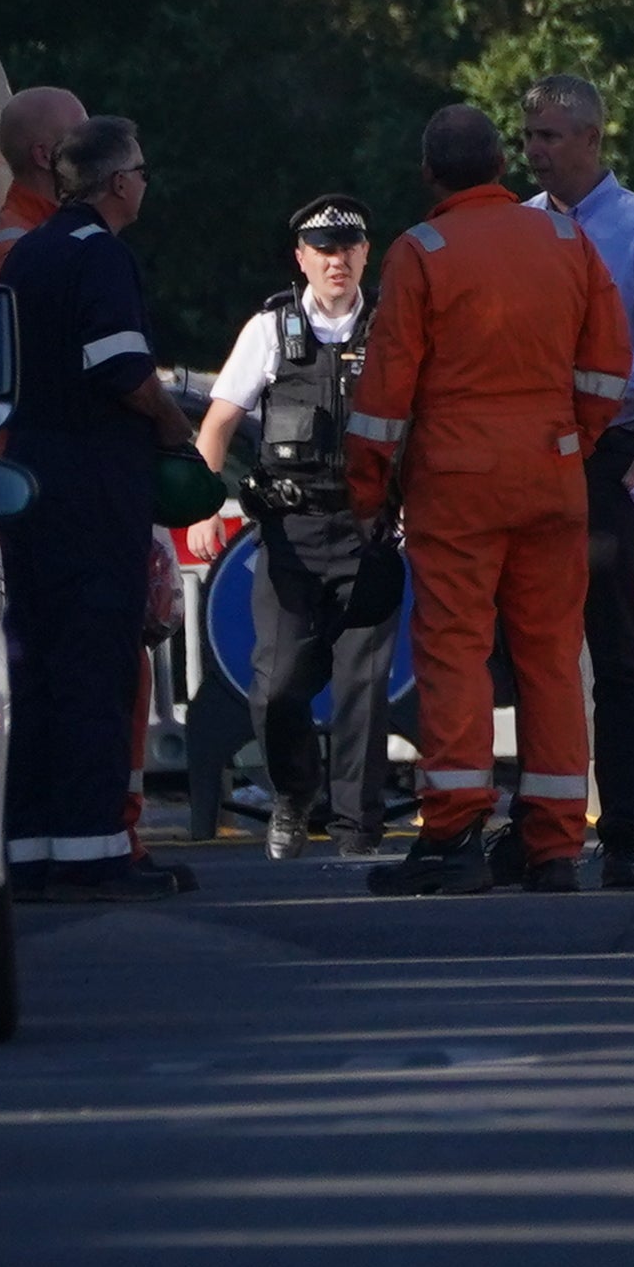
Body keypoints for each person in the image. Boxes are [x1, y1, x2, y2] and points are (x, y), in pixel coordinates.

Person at [348, 106, 631, 895]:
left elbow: (384, 395)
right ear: (504, 164)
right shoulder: (567, 240)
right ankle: (551, 843)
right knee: (549, 656)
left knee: (455, 653)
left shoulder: (422, 251)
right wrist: (571, 431)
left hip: (457, 484)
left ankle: (454, 833)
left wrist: (369, 490)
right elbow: (610, 362)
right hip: (552, 473)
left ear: (430, 172)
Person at [0, 115, 204, 900]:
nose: (144, 183)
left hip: (29, 478)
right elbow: (122, 369)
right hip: (92, 483)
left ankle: (34, 848)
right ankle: (92, 853)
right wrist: (174, 427)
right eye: (140, 171)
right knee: (95, 664)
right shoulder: (101, 257)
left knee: (38, 663)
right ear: (116, 182)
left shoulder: (27, 254)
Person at [196, 195, 396, 860]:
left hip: (369, 531)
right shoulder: (270, 329)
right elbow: (220, 421)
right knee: (278, 686)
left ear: (366, 253)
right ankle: (290, 793)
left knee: (362, 692)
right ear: (302, 258)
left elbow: (429, 423)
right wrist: (203, 501)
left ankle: (356, 830)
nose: (336, 260)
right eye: (323, 248)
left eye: (348, 246)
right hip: (291, 534)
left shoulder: (393, 327)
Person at [517, 75, 634, 885]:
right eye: (529, 136)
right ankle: (533, 824)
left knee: (615, 646)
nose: (536, 150)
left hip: (609, 455)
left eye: (550, 135)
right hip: (526, 453)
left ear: (591, 139)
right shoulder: (516, 229)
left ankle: (622, 831)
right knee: (529, 643)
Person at [0, 82, 85, 268]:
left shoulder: (53, 230)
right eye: (82, 140)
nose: (97, 152)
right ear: (44, 156)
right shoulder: (16, 252)